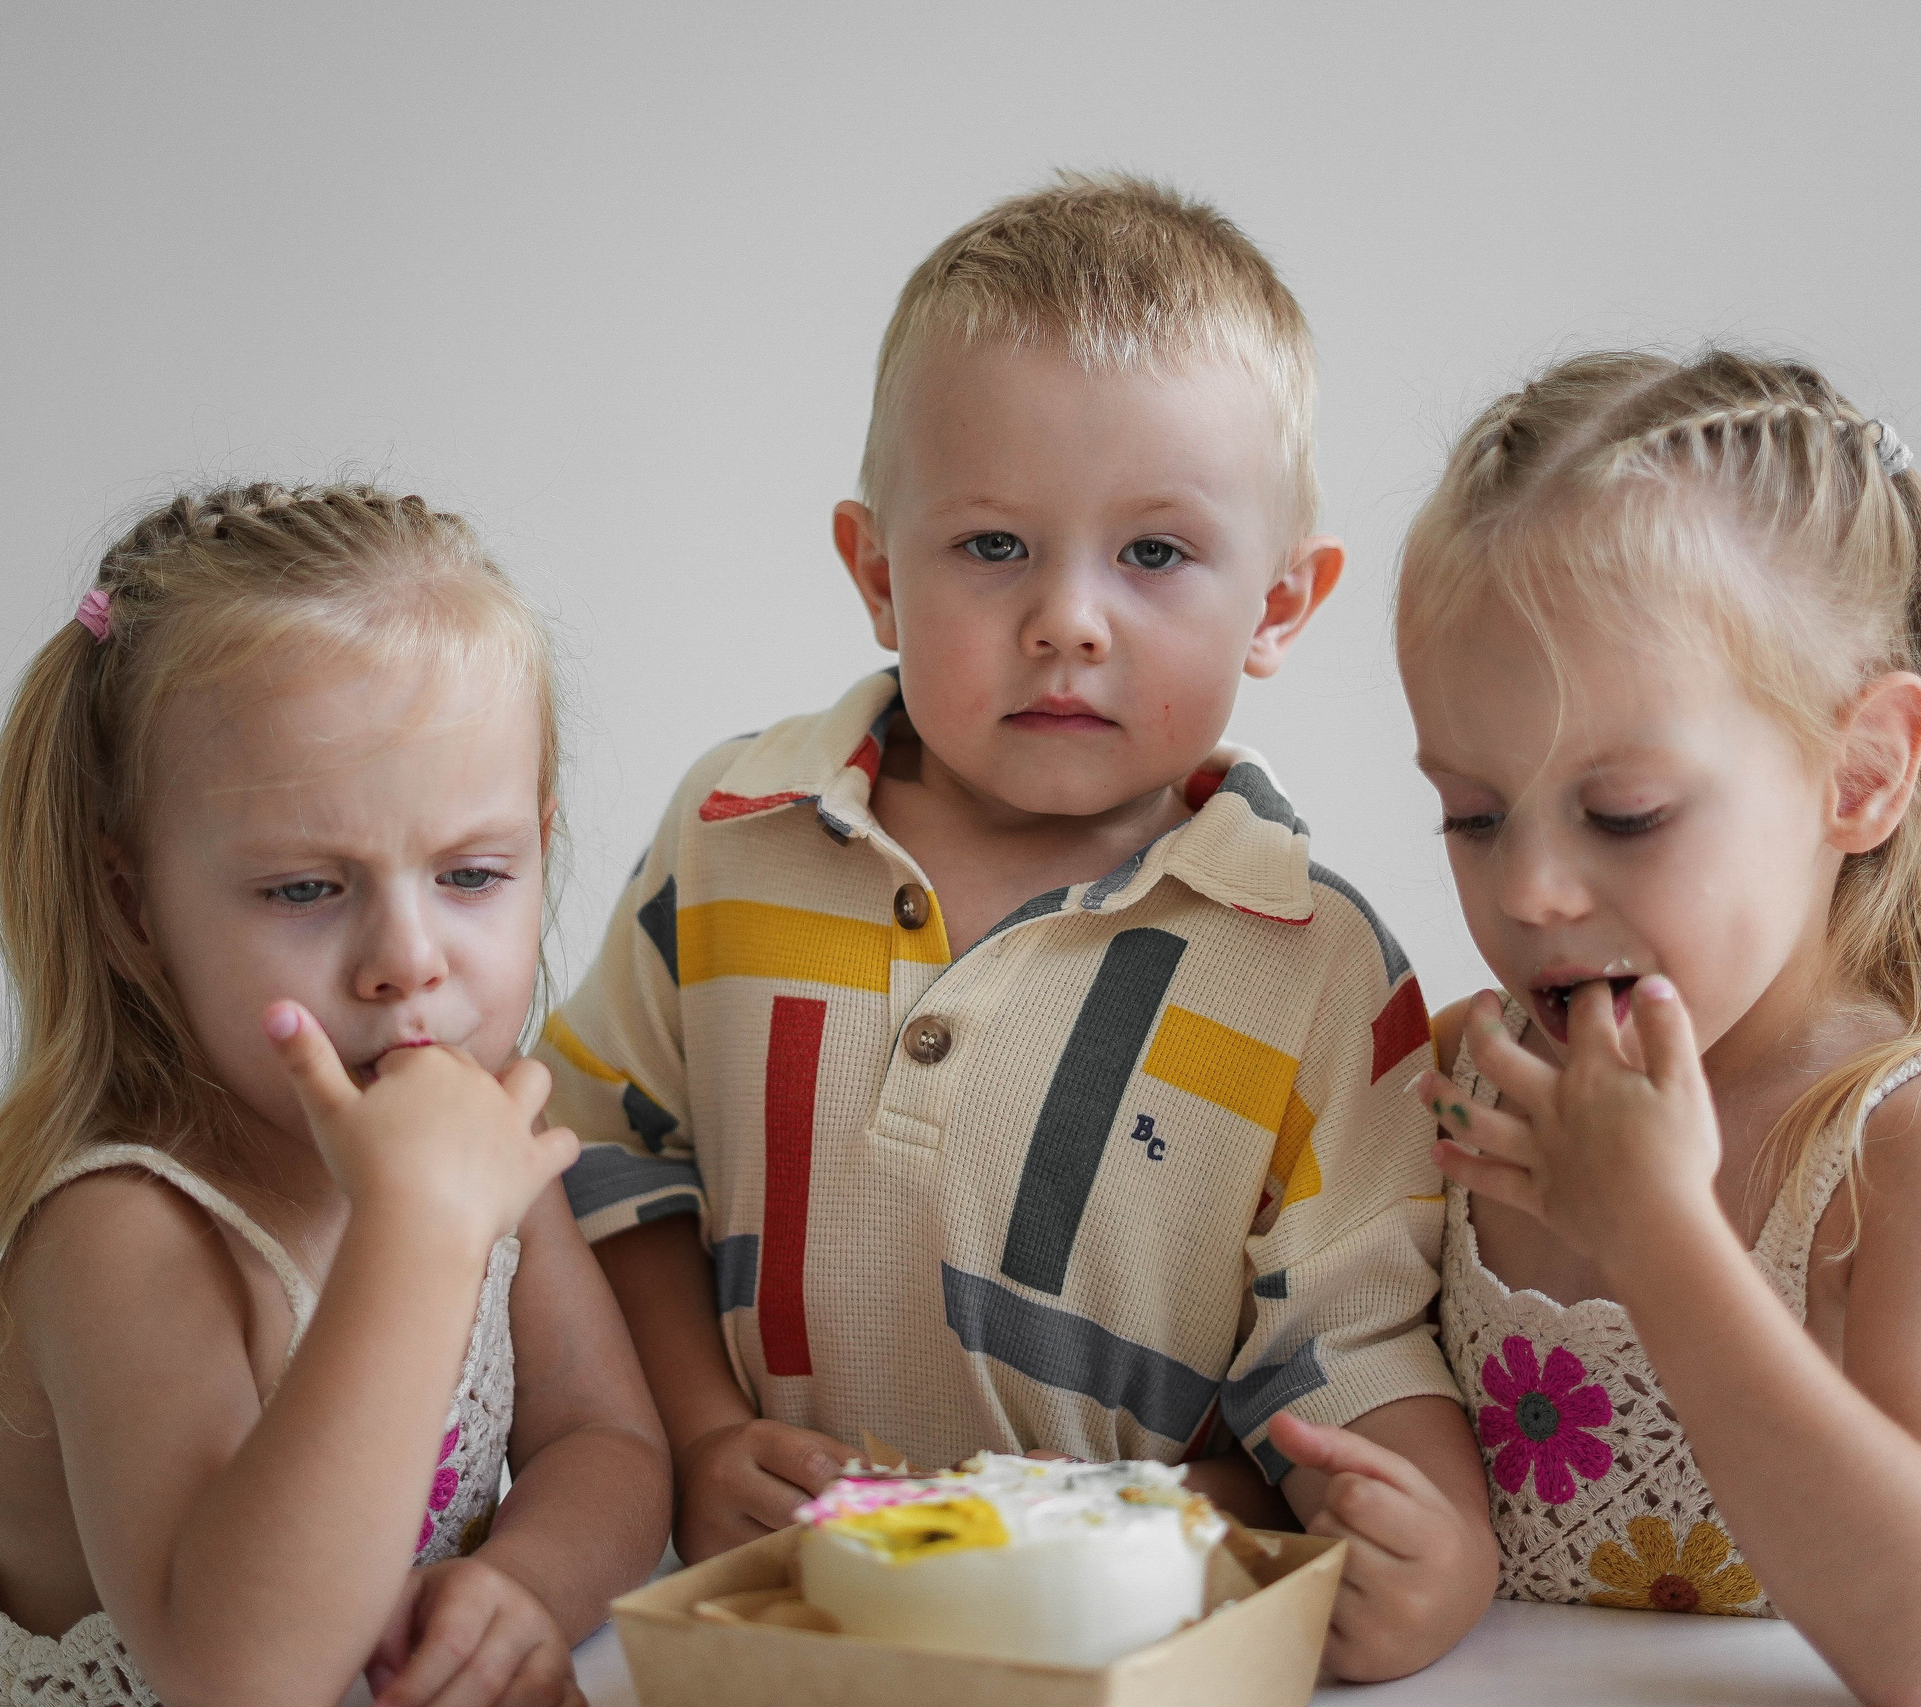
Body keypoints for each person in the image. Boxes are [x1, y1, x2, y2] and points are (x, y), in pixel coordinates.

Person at [535, 174, 1497, 1680]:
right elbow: (606, 1163)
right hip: (773, 1634)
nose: (1069, 618)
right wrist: (699, 1430)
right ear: (874, 571)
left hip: (1110, 1647)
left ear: (1282, 603)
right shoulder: (731, 833)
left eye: (1156, 555)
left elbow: (1351, 1336)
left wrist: (1419, 1533)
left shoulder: (1317, 970)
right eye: (992, 547)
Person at [0, 484, 667, 1707]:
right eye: (306, 890)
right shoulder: (126, 1236)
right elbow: (244, 1675)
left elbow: (607, 1446)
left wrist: (522, 1583)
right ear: (134, 908)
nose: (408, 959)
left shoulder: (476, 1149)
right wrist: (418, 1231)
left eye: (472, 874)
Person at [1397, 350, 1921, 1707]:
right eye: (1472, 810)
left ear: (1862, 774)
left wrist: (1657, 1229)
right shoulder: (1451, 1075)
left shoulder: (1915, 1138)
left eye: (1625, 812)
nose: (1527, 890)